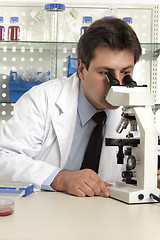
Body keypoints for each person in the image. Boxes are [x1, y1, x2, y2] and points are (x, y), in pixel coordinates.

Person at [0, 17, 149, 198]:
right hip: (44, 214)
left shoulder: (135, 111)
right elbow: (4, 158)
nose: (116, 84)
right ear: (81, 69)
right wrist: (60, 178)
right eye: (105, 74)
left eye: (125, 73)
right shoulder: (42, 100)